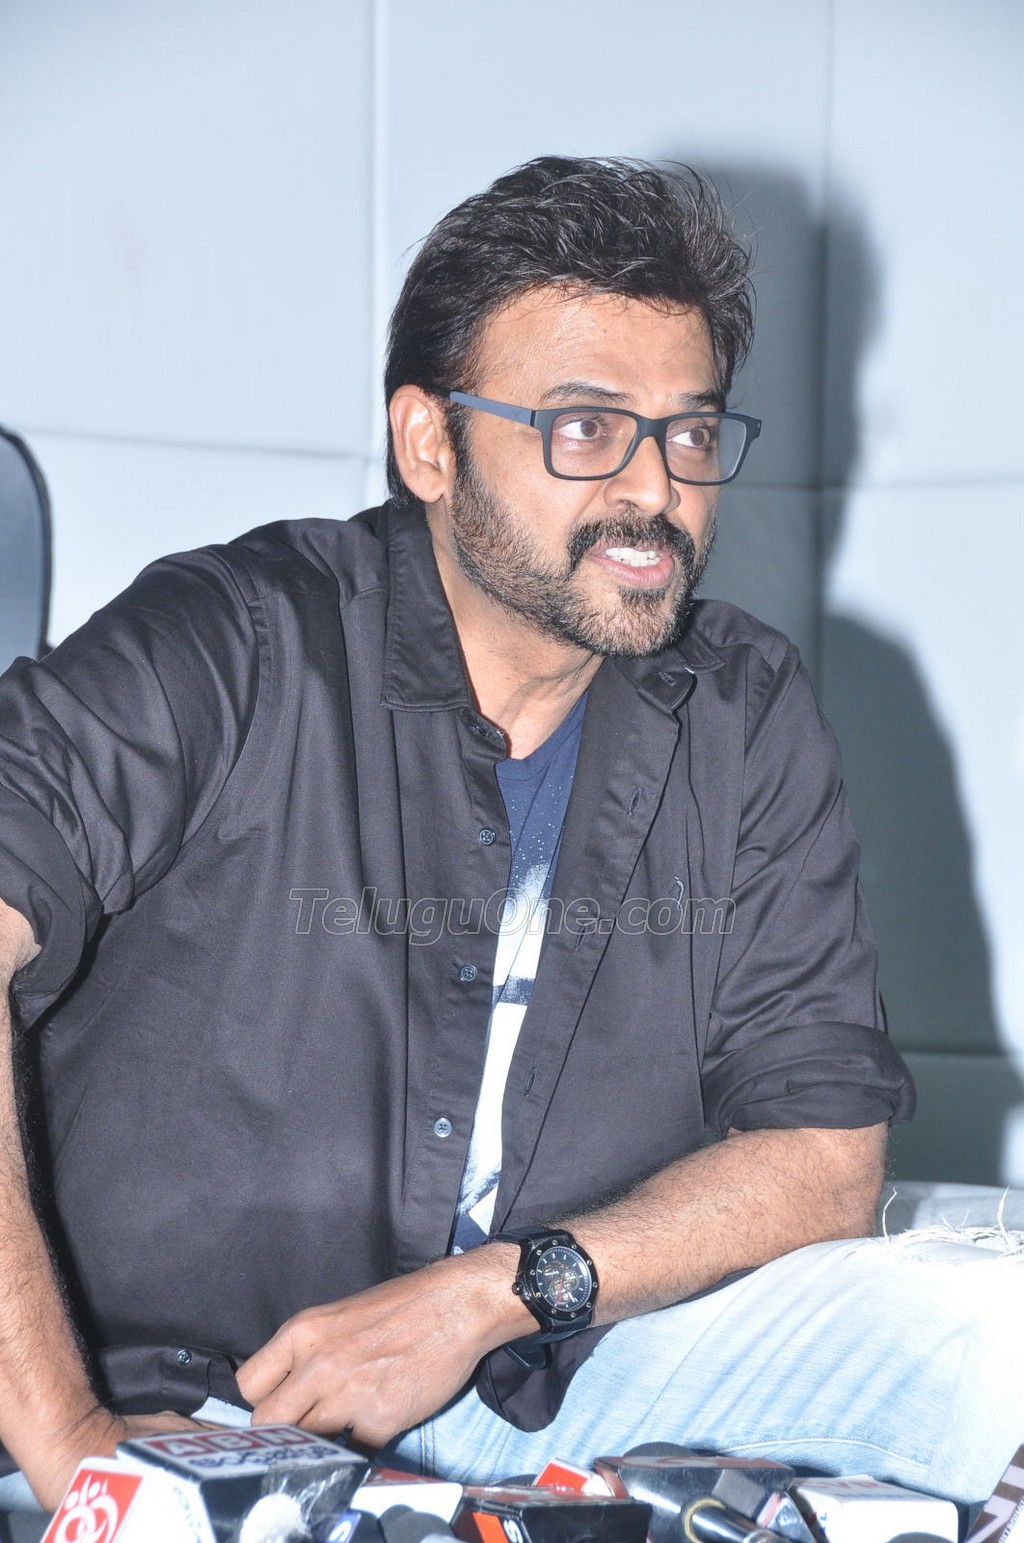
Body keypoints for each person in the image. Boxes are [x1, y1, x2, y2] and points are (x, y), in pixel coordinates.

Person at [0, 157, 1020, 1518]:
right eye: (587, 429)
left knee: (1000, 1330)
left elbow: (824, 1159)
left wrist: (498, 1291)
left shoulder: (745, 709)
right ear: (430, 444)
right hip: (190, 1396)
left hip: (550, 1370)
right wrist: (71, 1443)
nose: (656, 492)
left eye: (690, 432)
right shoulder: (235, 640)